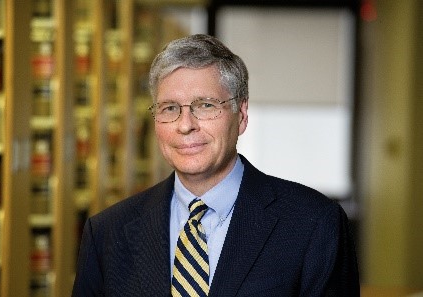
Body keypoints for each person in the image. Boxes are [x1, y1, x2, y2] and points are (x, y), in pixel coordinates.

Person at [72, 34, 359, 297]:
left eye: (206, 105)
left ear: (241, 115)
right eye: (170, 108)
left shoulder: (314, 224)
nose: (185, 125)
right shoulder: (107, 233)